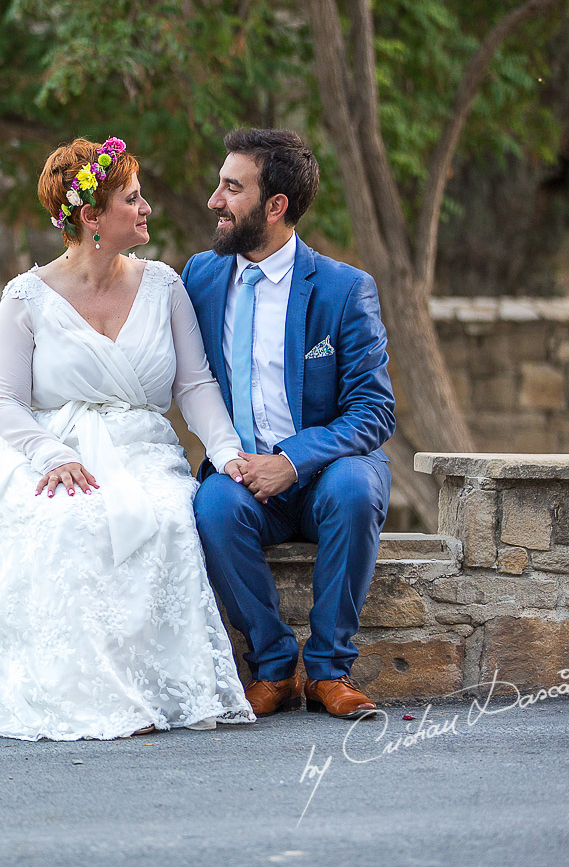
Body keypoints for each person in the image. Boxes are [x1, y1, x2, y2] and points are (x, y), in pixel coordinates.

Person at [0, 137, 255, 741]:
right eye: (132, 198)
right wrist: (52, 456)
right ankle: (78, 691)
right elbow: (6, 402)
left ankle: (154, 686)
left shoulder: (165, 286)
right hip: (52, 446)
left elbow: (196, 384)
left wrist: (227, 452)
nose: (147, 208)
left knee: (169, 519)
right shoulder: (25, 297)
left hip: (143, 448)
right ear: (91, 217)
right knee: (66, 523)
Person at [183, 128, 396, 720]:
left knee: (355, 489)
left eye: (232, 188)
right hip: (244, 474)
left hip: (328, 472)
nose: (214, 201)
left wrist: (293, 461)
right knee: (212, 507)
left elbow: (375, 411)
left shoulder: (343, 289)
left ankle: (329, 671)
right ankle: (273, 668)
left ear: (275, 206)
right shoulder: (199, 277)